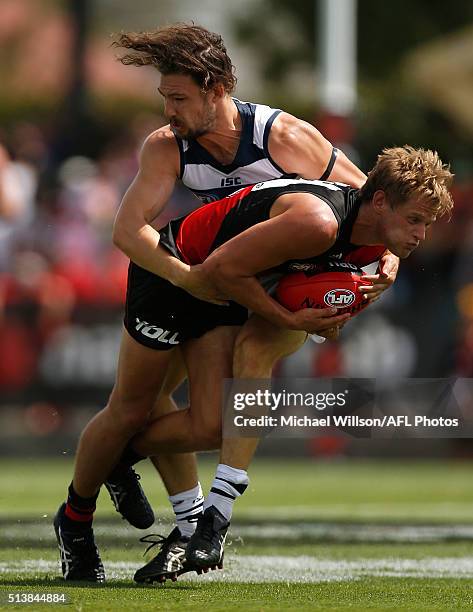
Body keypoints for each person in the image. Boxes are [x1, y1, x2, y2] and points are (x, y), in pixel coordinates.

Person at [53, 24, 398, 583]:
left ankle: (132, 471)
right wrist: (186, 278)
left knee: (213, 422)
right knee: (131, 407)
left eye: (179, 98)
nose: (168, 110)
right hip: (173, 276)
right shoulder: (167, 145)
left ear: (216, 89)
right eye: (164, 96)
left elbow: (372, 206)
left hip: (232, 287)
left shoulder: (283, 137)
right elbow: (127, 231)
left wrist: (389, 259)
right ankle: (77, 518)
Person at [117, 145, 453, 577]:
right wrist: (290, 316)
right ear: (383, 202)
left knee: (242, 370)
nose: (421, 235)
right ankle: (109, 477)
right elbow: (222, 270)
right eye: (414, 220)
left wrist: (334, 314)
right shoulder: (317, 216)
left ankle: (211, 522)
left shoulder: (380, 245)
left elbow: (333, 301)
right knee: (137, 407)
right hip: (186, 267)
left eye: (426, 223)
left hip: (248, 282)